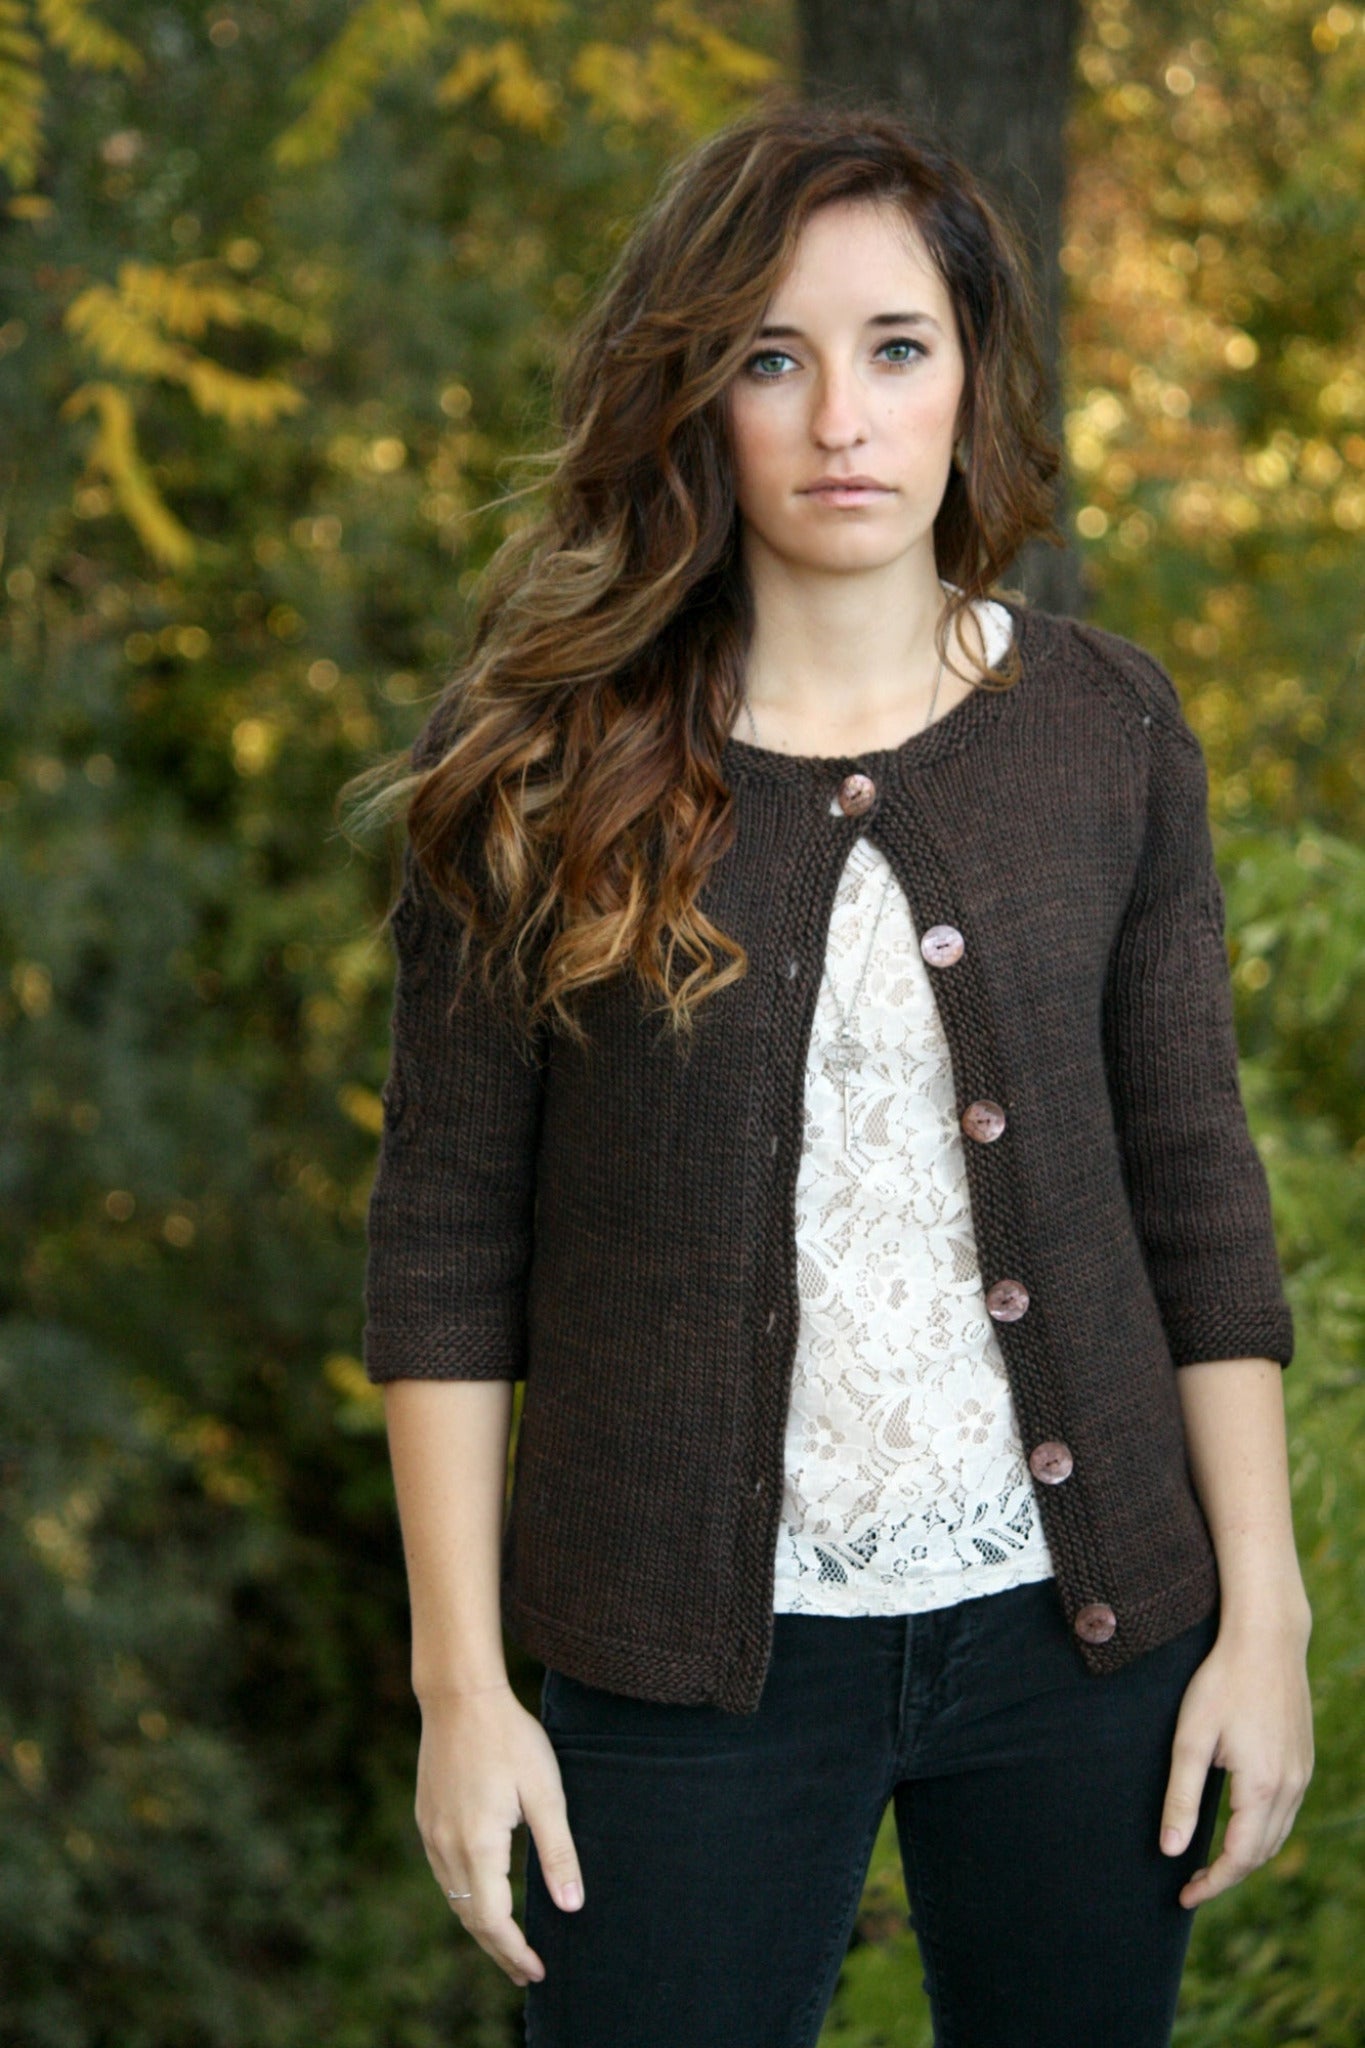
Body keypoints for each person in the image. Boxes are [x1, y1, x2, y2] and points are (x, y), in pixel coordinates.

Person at [358, 98, 1314, 2048]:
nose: (838, 419)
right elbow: (443, 1239)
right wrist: (463, 1685)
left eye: (894, 349)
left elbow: (1193, 1188)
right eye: (768, 361)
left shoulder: (1102, 730)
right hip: (672, 1659)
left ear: (970, 377)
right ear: (694, 398)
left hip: (1085, 1635)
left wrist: (1263, 1614)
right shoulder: (539, 759)